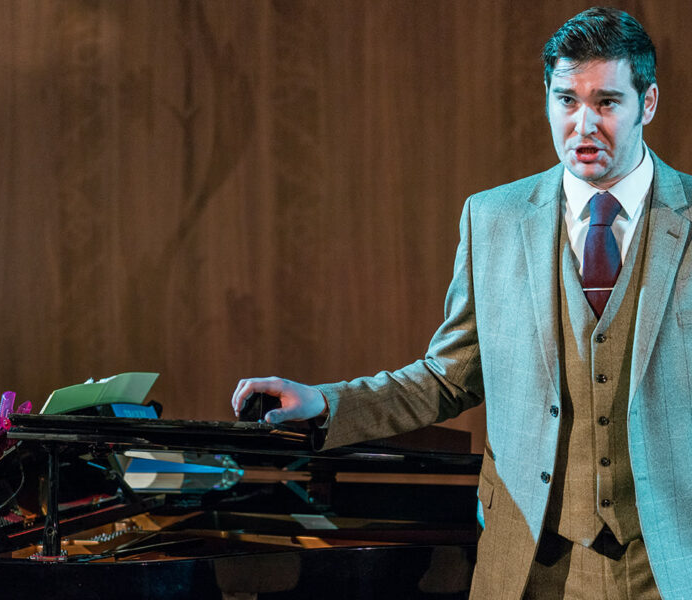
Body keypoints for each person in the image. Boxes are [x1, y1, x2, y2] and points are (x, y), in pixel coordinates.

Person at [231, 7, 692, 600]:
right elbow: (447, 378)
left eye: (606, 102)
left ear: (647, 103)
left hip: (671, 560)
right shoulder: (493, 219)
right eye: (566, 100)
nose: (583, 125)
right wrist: (325, 403)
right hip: (533, 563)